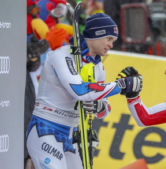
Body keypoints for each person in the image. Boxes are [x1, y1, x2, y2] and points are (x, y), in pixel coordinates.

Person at [26, 13, 142, 169]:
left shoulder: (98, 67)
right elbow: (81, 91)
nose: (111, 45)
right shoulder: (62, 56)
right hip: (45, 128)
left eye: (113, 41)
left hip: (71, 132)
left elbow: (104, 109)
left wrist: (98, 107)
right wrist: (121, 85)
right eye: (108, 39)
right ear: (96, 34)